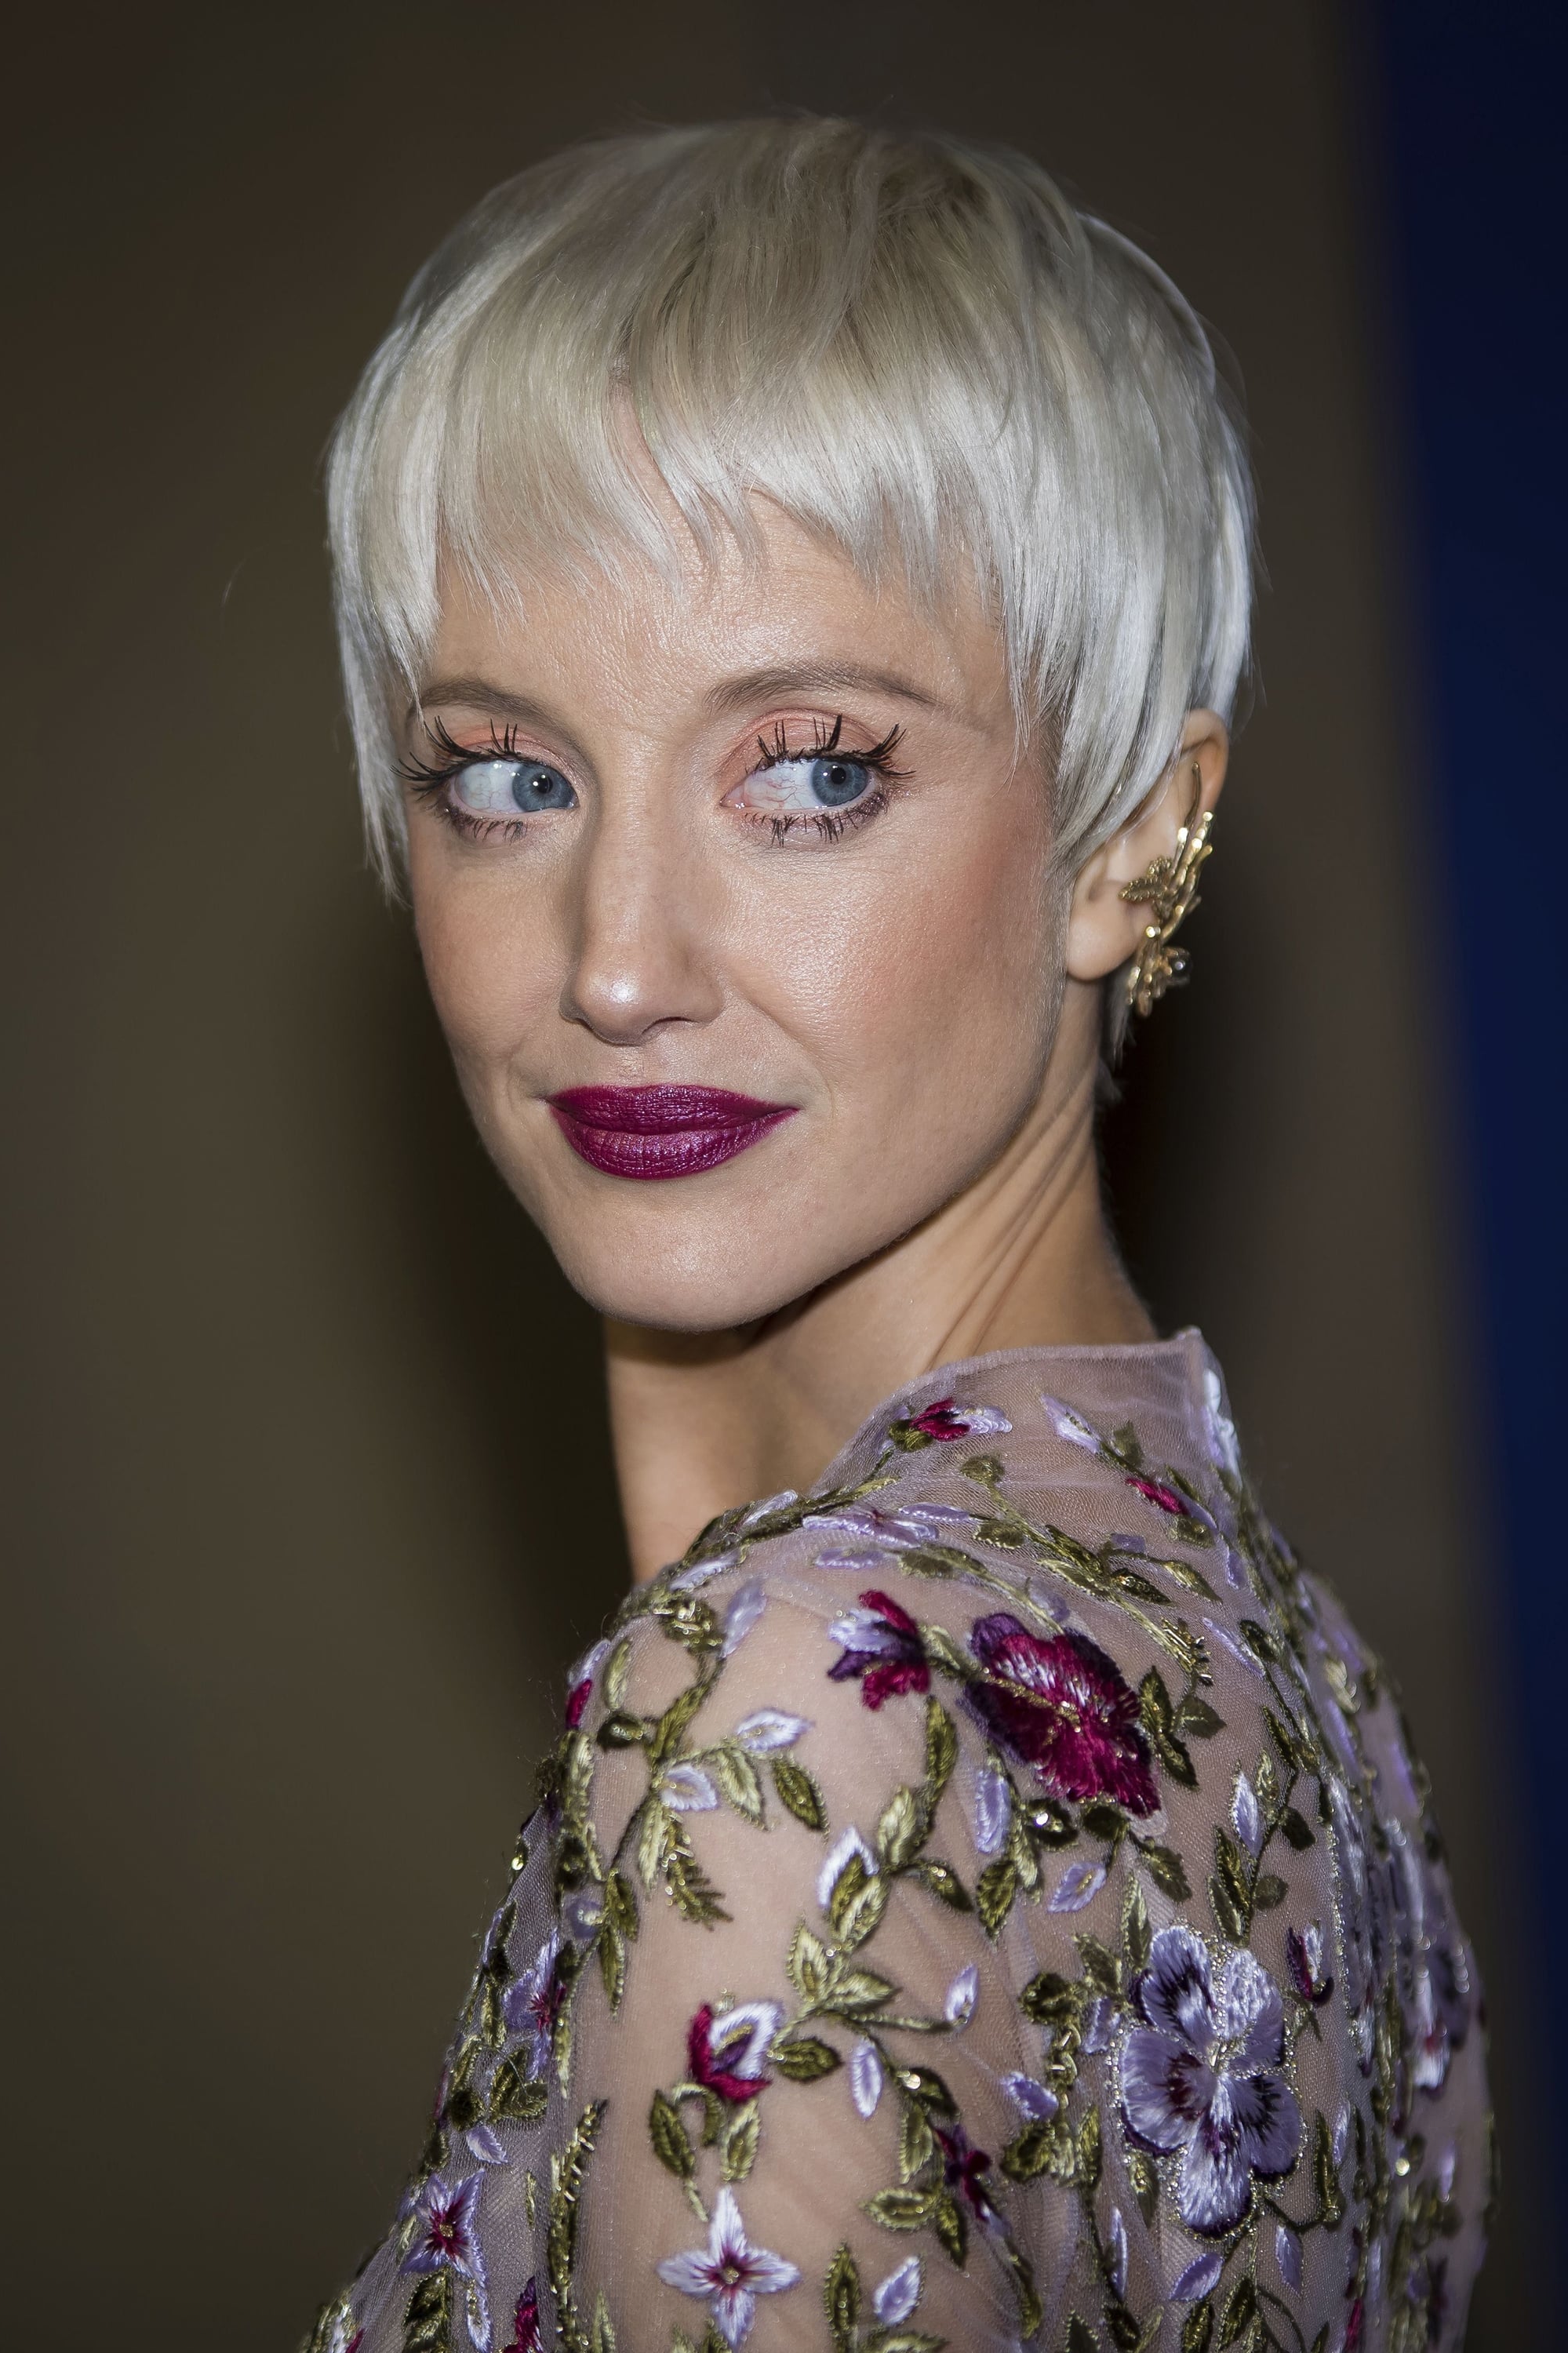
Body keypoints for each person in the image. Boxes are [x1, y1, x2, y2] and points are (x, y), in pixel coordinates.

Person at [306, 119, 1490, 2353]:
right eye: (507, 778)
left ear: (1138, 842)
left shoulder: (797, 1718)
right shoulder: (1291, 1674)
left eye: (813, 771)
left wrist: (726, 1623)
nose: (616, 963)